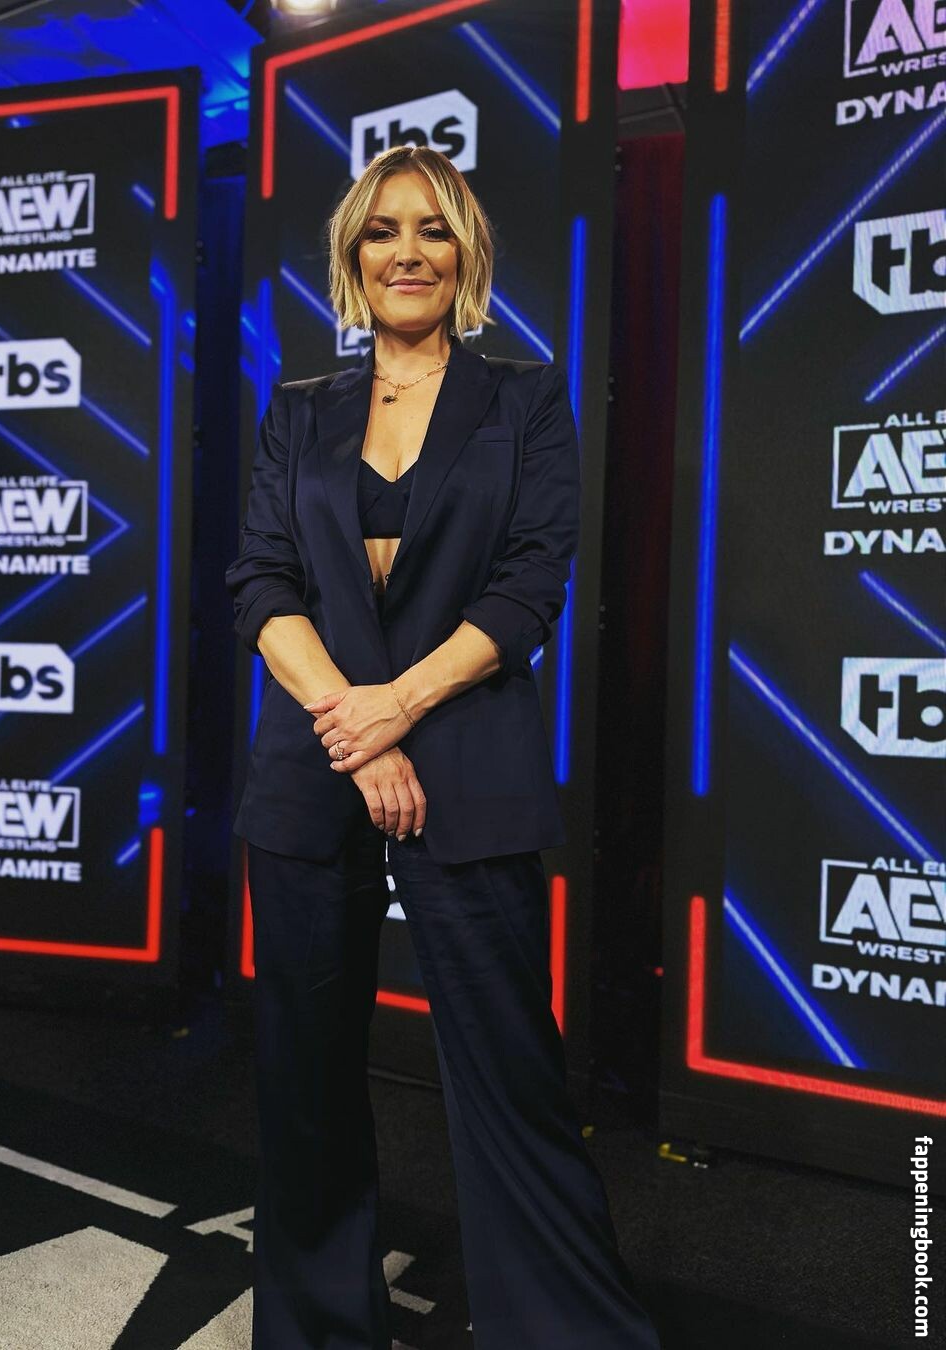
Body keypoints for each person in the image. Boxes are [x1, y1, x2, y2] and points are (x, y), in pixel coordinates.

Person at [224, 144, 662, 1350]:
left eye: (432, 229)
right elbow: (261, 583)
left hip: (467, 762)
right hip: (313, 770)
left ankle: (561, 1331)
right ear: (351, 258)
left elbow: (529, 588)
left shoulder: (525, 399)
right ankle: (317, 1328)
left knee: (513, 1075)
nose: (407, 252)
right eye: (382, 231)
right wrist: (357, 732)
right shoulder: (300, 408)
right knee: (305, 1084)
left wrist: (399, 705)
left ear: (466, 254)